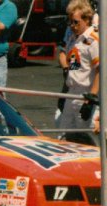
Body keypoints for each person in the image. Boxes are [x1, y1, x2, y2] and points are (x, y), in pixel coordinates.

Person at [58, 0, 99, 133]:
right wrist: (65, 90)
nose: (72, 26)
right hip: (72, 95)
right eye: (70, 22)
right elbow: (75, 68)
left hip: (86, 96)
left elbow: (101, 70)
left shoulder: (93, 40)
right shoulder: (75, 39)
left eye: (76, 22)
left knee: (87, 141)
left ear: (87, 20)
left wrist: (91, 99)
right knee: (63, 136)